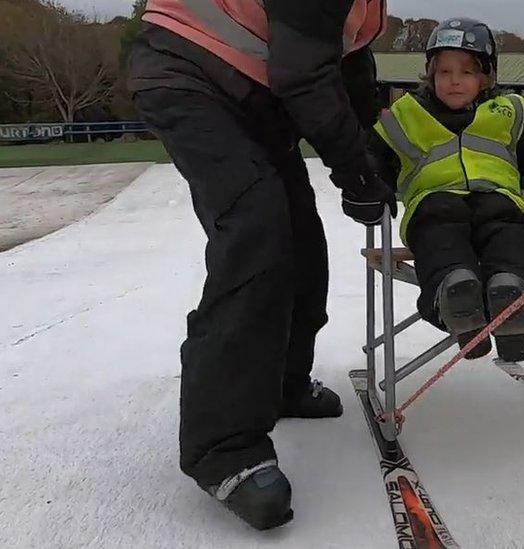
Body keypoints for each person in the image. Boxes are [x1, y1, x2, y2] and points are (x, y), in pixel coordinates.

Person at [128, 0, 396, 530]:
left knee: (300, 238)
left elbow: (351, 67)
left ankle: (282, 383)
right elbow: (302, 74)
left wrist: (373, 155)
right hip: (187, 75)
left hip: (255, 102)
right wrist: (353, 172)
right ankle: (223, 450)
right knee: (256, 228)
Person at [369, 18, 524, 362]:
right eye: (444, 72)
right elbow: (372, 158)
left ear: (486, 77)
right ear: (430, 74)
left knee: (512, 236)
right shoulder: (405, 115)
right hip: (435, 203)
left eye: (466, 72)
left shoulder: (506, 112)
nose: (454, 81)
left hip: (499, 202)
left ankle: (514, 296)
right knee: (440, 240)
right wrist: (367, 186)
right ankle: (454, 296)